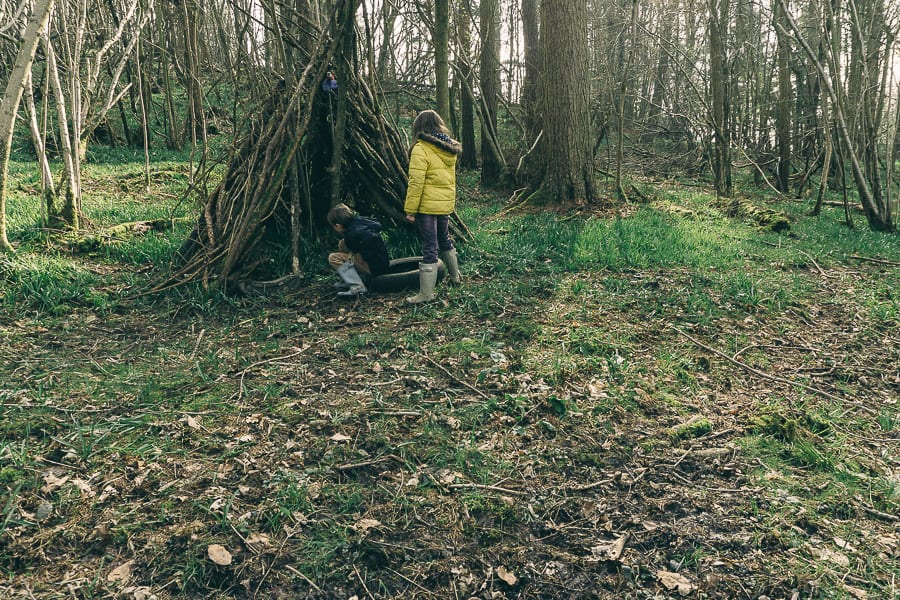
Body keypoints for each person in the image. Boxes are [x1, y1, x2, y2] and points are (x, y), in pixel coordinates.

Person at [403, 110, 463, 304]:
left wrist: (411, 209)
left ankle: (426, 294)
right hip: (444, 204)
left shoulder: (421, 148)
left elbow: (416, 182)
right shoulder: (448, 147)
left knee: (430, 247)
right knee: (444, 239)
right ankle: (456, 277)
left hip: (427, 206)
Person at [327, 203, 390, 298]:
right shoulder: (360, 221)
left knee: (333, 258)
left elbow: (356, 257)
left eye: (334, 227)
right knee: (342, 243)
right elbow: (377, 224)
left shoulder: (351, 235)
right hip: (383, 261)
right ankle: (350, 280)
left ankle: (357, 286)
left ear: (338, 225)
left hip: (374, 268)